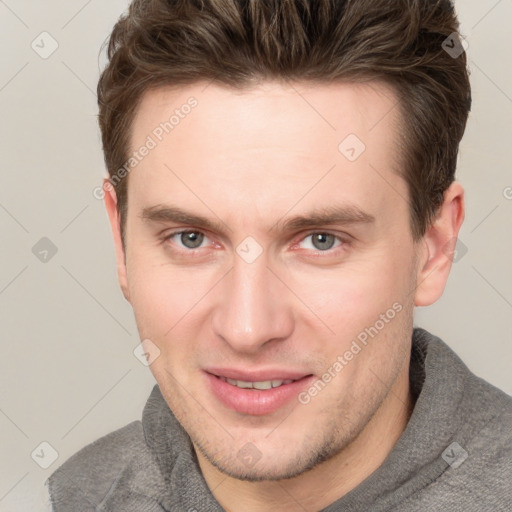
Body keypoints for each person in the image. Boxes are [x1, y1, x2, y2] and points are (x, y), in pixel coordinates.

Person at [46, 0, 512, 510]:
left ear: (436, 246)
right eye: (191, 238)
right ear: (120, 240)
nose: (248, 328)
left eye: (321, 240)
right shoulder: (80, 494)